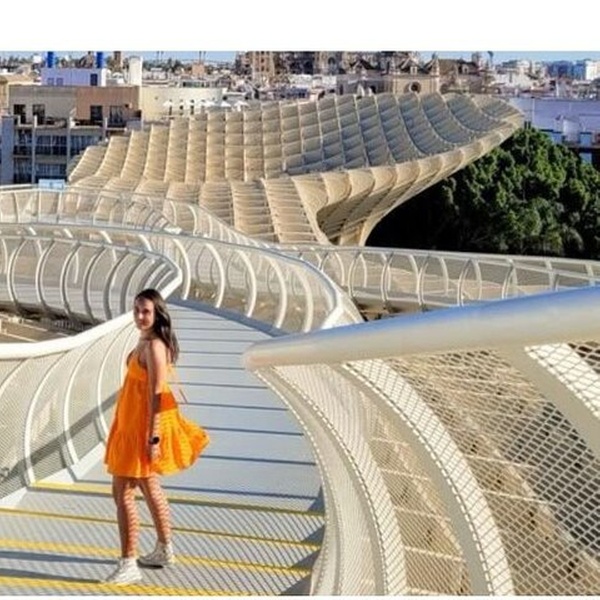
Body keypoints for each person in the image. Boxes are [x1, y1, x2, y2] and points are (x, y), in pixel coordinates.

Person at [103, 288, 209, 585]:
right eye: (137, 310)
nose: (140, 316)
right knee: (149, 486)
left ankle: (129, 563)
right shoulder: (145, 340)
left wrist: (154, 438)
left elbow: (157, 395)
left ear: (157, 313)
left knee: (123, 493)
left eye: (146, 311)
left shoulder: (154, 347)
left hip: (141, 430)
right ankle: (165, 549)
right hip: (130, 424)